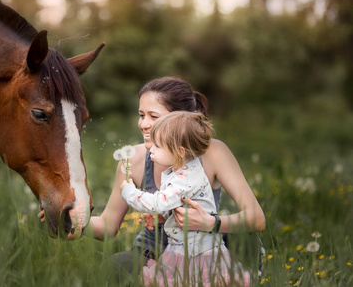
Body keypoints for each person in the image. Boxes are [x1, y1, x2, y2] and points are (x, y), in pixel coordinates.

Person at [39, 77, 266, 282]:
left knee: (246, 241)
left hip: (206, 249)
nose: (143, 124)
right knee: (116, 266)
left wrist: (210, 222)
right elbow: (108, 226)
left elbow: (256, 218)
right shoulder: (133, 160)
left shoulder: (214, 153)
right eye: (141, 115)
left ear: (180, 119)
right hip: (155, 252)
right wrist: (73, 220)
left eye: (153, 116)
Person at [120, 110, 250, 286]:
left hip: (197, 254)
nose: (151, 149)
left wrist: (129, 191)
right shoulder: (182, 171)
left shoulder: (186, 179)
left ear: (180, 152)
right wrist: (163, 216)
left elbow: (157, 202)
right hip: (184, 249)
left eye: (158, 146)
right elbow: (180, 205)